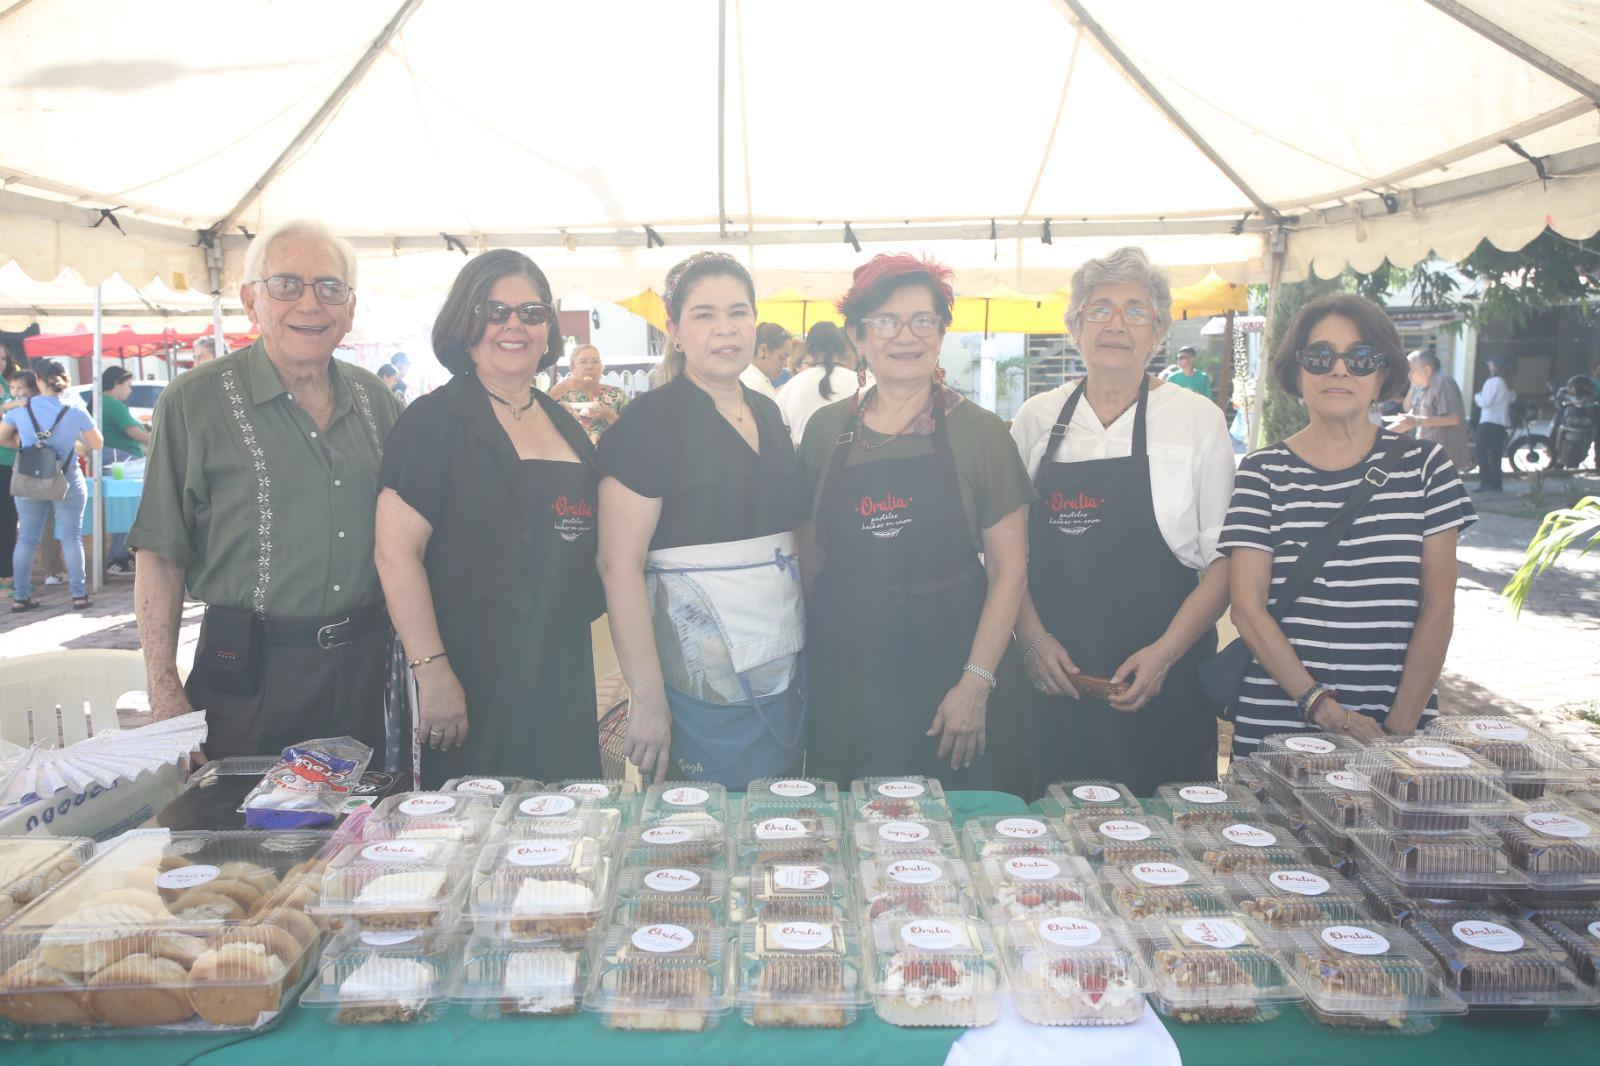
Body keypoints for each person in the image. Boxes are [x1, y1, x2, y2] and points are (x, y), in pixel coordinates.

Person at [128, 219, 403, 761]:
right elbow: (161, 555)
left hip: (365, 673)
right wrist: (164, 693)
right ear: (251, 300)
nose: (309, 304)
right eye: (285, 285)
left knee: (359, 835)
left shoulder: (378, 402)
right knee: (240, 837)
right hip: (246, 675)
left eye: (329, 288)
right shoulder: (194, 402)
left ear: (349, 309)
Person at [797, 255, 1032, 787]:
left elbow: (1009, 572)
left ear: (942, 333)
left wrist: (975, 685)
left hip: (951, 677)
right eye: (885, 321)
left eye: (923, 320)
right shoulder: (825, 432)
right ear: (857, 336)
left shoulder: (982, 435)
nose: (906, 336)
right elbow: (808, 555)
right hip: (848, 680)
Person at [1010, 248, 1234, 797]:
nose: (1116, 324)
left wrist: (1164, 654)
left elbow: (1226, 564)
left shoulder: (1197, 419)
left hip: (1166, 681)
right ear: (1075, 325)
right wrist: (1033, 640)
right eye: (1100, 308)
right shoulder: (1037, 417)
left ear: (1158, 331)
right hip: (1055, 681)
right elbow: (1005, 556)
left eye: (1136, 311)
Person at [376, 250, 604, 786]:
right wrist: (431, 673)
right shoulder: (433, 422)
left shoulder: (563, 423)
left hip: (560, 670)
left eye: (532, 312)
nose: (514, 325)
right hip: (471, 676)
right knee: (475, 840)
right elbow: (394, 553)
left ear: (549, 330)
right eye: (495, 310)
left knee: (564, 836)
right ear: (466, 321)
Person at [1222, 294, 1475, 751]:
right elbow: (1247, 607)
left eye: (1360, 358)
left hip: (1395, 724)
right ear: (1297, 373)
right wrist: (1323, 708)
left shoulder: (1426, 467)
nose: (1339, 370)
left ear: (1382, 375)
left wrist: (1398, 728)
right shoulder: (1262, 472)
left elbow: (1439, 604)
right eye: (1320, 357)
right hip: (1277, 725)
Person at [597, 252, 808, 786]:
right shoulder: (650, 422)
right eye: (704, 315)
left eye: (738, 312)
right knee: (699, 841)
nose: (725, 329)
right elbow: (617, 564)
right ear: (674, 329)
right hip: (697, 682)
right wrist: (645, 698)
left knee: (778, 824)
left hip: (783, 668)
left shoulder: (768, 413)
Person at [0, 360, 102, 611]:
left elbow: (2, 437)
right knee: (71, 537)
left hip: (28, 479)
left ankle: (21, 597)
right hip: (67, 479)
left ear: (37, 379)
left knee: (25, 538)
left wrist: (25, 445)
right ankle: (79, 595)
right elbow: (96, 443)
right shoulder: (74, 409)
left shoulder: (21, 408)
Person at [776, 321, 863, 447]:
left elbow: (779, 431)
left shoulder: (792, 385)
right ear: (842, 349)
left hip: (802, 462)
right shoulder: (861, 383)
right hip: (848, 460)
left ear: (810, 351)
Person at [99, 365, 151, 576]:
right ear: (116, 384)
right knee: (128, 508)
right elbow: (135, 433)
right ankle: (119, 555)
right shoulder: (112, 404)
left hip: (117, 463)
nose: (130, 391)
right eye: (128, 386)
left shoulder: (99, 402)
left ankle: (119, 554)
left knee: (122, 508)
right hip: (125, 464)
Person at [1390, 350, 1470, 473]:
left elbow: (1454, 419)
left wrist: (1416, 421)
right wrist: (1377, 436)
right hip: (1428, 459)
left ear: (1427, 370)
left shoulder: (1443, 382)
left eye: (1412, 370)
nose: (1409, 375)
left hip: (1442, 461)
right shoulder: (1423, 389)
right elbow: (1409, 421)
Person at [548, 343, 628, 443]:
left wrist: (610, 416)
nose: (590, 367)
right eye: (583, 362)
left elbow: (632, 430)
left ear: (601, 367)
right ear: (572, 368)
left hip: (610, 455)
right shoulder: (562, 395)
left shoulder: (617, 394)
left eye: (595, 361)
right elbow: (539, 412)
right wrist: (562, 386)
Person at [0, 357, 28, 599]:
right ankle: (5, 577)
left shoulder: (6, 383)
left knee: (10, 520)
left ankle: (8, 575)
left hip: (12, 459)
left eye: (2, 358)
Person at [1472, 355, 1511, 493]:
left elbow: (1486, 402)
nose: (1489, 367)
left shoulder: (1493, 381)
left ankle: (1486, 481)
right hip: (1499, 422)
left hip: (1489, 421)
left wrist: (1477, 396)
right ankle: (1496, 483)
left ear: (1495, 366)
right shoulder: (1504, 381)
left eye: (1491, 364)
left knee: (1481, 451)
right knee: (1495, 453)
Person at [738, 322, 790, 401]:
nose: (786, 364)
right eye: (781, 357)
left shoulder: (755, 381)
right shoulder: (753, 385)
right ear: (763, 350)